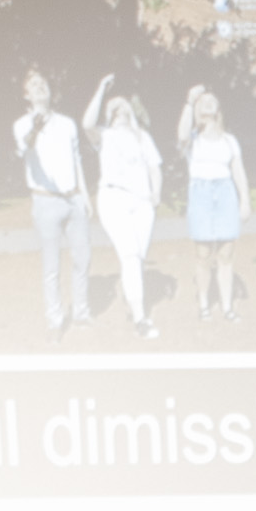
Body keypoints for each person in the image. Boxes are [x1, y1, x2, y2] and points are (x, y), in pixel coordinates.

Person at [10, 70, 93, 331]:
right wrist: (35, 127)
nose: (40, 88)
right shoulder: (22, 124)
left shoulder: (67, 123)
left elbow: (76, 160)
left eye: (43, 84)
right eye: (33, 86)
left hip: (74, 199)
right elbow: (25, 147)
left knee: (82, 258)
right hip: (46, 202)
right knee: (52, 265)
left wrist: (85, 196)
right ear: (26, 95)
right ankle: (55, 319)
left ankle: (81, 313)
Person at [88, 76, 161, 339]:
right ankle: (141, 318)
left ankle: (133, 300)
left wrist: (156, 193)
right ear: (108, 117)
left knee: (137, 257)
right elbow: (86, 123)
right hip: (113, 199)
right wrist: (101, 90)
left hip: (142, 202)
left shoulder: (143, 137)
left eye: (123, 109)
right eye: (113, 110)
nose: (119, 113)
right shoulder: (104, 137)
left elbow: (154, 166)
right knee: (130, 255)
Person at [178, 83, 247, 319]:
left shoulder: (230, 140)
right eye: (202, 100)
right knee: (203, 254)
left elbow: (238, 172)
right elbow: (181, 135)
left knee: (226, 254)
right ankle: (204, 304)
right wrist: (189, 102)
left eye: (212, 99)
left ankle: (228, 307)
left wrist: (244, 201)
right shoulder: (192, 139)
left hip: (226, 193)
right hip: (201, 194)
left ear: (218, 108)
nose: (207, 102)